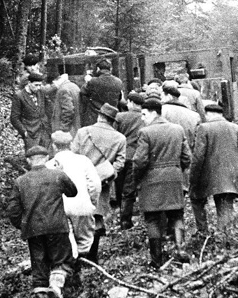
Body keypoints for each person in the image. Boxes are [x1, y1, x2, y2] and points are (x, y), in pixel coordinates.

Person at [7, 145, 78, 298]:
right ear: (46, 159)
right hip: (57, 227)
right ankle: (56, 286)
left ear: (28, 161)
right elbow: (73, 192)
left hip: (33, 231)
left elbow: (12, 211)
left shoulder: (20, 181)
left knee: (39, 267)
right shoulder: (57, 175)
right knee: (61, 261)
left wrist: (23, 224)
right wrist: (62, 172)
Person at [134, 97, 191, 268]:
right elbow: (187, 157)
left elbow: (140, 161)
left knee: (152, 218)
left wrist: (137, 179)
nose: (142, 118)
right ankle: (181, 250)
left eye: (144, 114)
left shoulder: (145, 133)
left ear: (153, 113)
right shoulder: (177, 129)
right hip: (174, 178)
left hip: (152, 180)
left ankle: (156, 260)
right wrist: (176, 169)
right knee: (177, 215)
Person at [71, 102, 126, 263]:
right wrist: (108, 173)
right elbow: (120, 163)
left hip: (80, 182)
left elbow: (73, 154)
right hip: (102, 184)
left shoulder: (83, 132)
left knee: (79, 218)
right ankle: (92, 257)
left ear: (100, 116)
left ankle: (79, 255)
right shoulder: (120, 138)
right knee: (97, 217)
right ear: (112, 120)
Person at [47, 130, 101, 293]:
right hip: (81, 206)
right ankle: (82, 277)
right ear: (70, 145)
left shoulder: (49, 165)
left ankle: (67, 279)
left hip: (59, 210)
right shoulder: (83, 161)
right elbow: (95, 185)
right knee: (85, 241)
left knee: (67, 245)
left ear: (54, 146)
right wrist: (92, 203)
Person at [189, 103, 238, 243]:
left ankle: (204, 234)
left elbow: (198, 156)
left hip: (209, 177)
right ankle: (226, 238)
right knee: (225, 207)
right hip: (232, 175)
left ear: (208, 114)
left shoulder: (204, 128)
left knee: (196, 199)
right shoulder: (234, 128)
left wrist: (193, 178)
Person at [114, 92, 145, 231]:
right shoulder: (144, 118)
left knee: (120, 187)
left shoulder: (120, 117)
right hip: (135, 156)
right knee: (129, 190)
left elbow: (114, 135)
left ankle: (122, 216)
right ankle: (125, 220)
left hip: (121, 156)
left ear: (131, 102)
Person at [10, 71, 51, 150]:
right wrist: (24, 132)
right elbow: (14, 118)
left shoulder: (41, 92)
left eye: (40, 85)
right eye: (36, 85)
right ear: (29, 83)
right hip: (30, 132)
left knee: (46, 155)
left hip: (44, 129)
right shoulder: (19, 96)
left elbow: (48, 108)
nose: (38, 87)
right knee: (33, 156)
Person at [80, 58, 123, 127]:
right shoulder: (119, 82)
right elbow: (120, 98)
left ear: (98, 69)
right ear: (110, 69)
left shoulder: (93, 81)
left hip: (97, 117)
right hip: (112, 117)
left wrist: (88, 81)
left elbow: (83, 92)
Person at [161, 82, 201, 150]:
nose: (161, 99)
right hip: (187, 153)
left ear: (169, 96)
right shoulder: (195, 115)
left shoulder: (160, 111)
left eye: (162, 96)